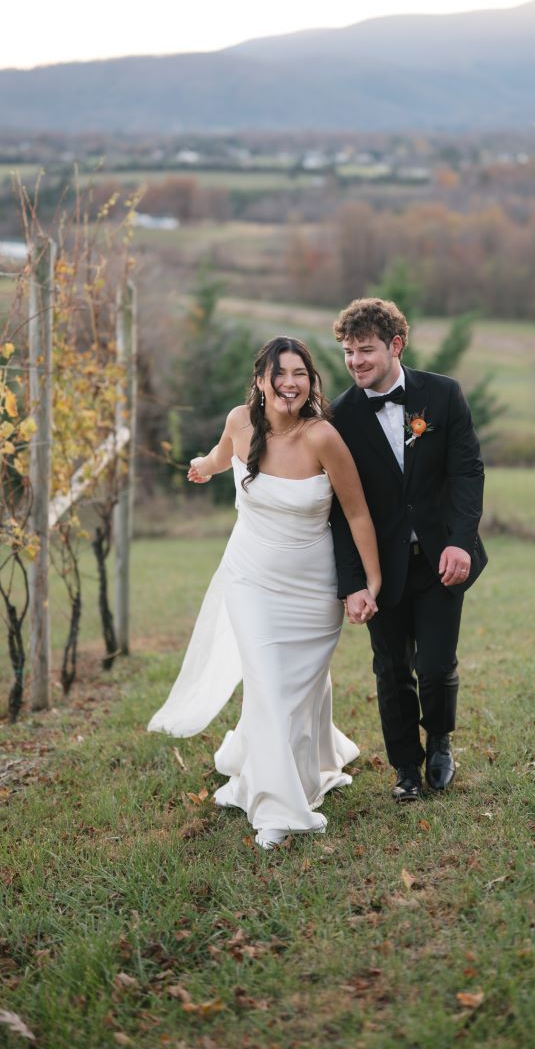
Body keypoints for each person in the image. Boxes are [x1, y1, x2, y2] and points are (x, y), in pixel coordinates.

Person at [148, 337, 381, 849]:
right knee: (270, 686)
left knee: (298, 690)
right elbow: (219, 455)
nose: (289, 383)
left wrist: (370, 581)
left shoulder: (323, 438)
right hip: (249, 579)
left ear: (310, 382)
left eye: (300, 373)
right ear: (260, 380)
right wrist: (204, 467)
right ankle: (278, 807)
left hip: (313, 589)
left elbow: (357, 511)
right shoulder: (239, 422)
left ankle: (311, 762)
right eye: (280, 374)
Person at [329, 298, 486, 802]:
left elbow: (467, 472)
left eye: (366, 350)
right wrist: (353, 583)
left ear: (396, 345)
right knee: (391, 669)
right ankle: (405, 769)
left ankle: (440, 740)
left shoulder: (441, 396)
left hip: (443, 560)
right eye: (349, 352)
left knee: (436, 666)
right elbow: (338, 510)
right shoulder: (339, 417)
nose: (356, 362)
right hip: (382, 568)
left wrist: (461, 541)